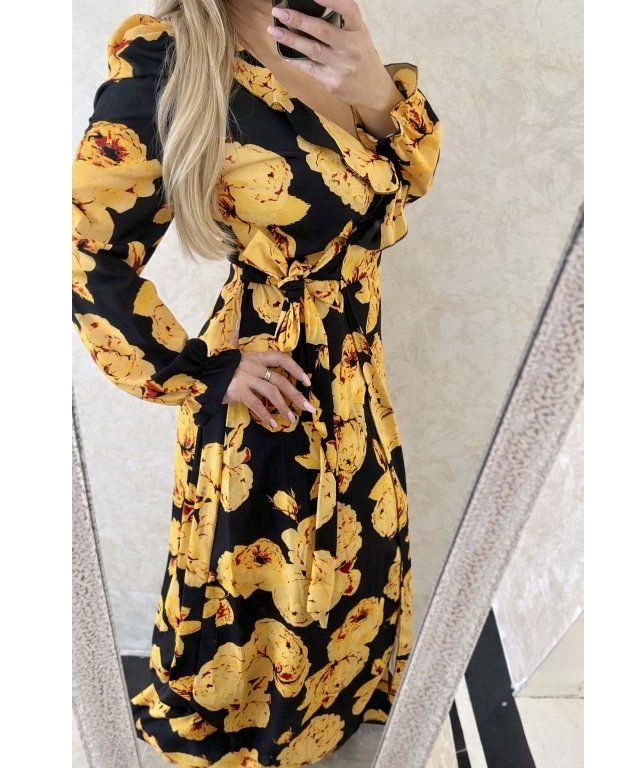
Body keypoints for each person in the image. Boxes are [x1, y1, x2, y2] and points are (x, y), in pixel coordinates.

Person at [71, 1, 441, 764]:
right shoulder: (166, 60)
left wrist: (375, 88)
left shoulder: (324, 28)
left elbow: (400, 187)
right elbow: (84, 251)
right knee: (262, 618)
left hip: (357, 386)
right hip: (269, 407)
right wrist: (200, 371)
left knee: (349, 583)